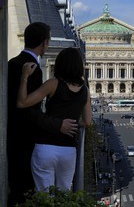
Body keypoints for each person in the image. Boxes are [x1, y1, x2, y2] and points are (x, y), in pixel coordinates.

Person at [7, 22, 78, 205]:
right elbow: (29, 109)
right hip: (25, 137)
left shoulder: (13, 63)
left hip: (14, 133)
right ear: (45, 43)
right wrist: (57, 125)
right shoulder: (32, 68)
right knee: (28, 190)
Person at [17, 47, 92, 192]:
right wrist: (73, 124)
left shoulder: (54, 83)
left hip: (46, 147)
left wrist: (24, 77)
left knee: (44, 196)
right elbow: (87, 121)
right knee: (63, 195)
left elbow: (22, 102)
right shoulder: (85, 90)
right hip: (68, 150)